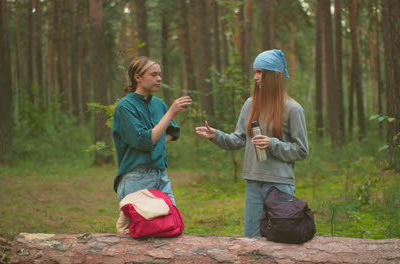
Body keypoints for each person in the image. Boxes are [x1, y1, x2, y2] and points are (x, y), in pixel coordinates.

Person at [195, 49, 309, 237]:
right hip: (254, 181)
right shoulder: (250, 104)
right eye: (255, 72)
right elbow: (238, 139)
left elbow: (301, 150)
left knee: (281, 240)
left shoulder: (293, 109)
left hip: (280, 183)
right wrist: (215, 135)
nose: (255, 77)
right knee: (251, 239)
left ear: (273, 75)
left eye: (260, 72)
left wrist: (272, 143)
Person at [112, 56, 192, 204]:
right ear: (138, 77)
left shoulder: (158, 104)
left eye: (159, 74)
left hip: (160, 175)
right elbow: (145, 141)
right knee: (139, 227)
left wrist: (158, 141)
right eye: (153, 75)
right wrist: (171, 112)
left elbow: (172, 132)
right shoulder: (125, 106)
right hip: (136, 177)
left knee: (171, 224)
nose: (159, 78)